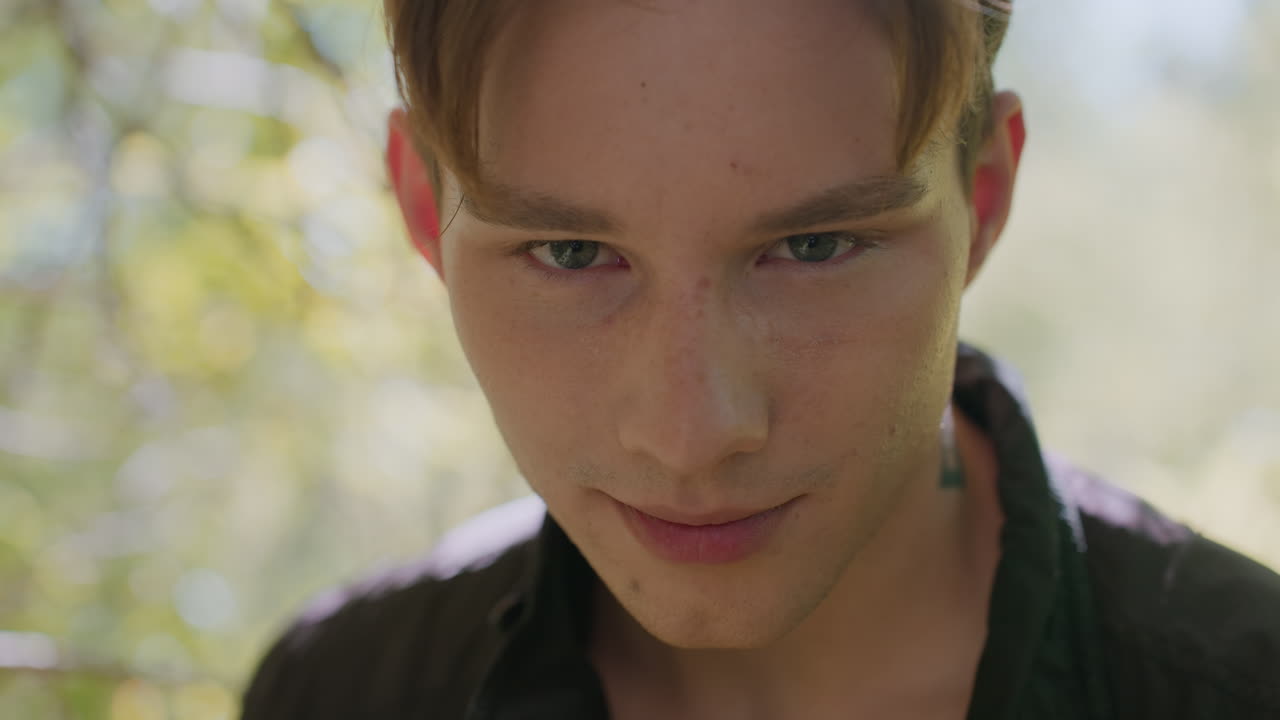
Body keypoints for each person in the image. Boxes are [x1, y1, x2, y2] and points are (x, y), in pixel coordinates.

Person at [240, 1, 1280, 718]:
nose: (689, 433)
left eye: (813, 248)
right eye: (569, 254)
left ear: (984, 199)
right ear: (424, 211)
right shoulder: (342, 690)